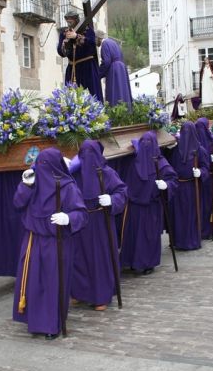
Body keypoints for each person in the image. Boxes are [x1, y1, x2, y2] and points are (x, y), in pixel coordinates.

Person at [12, 148, 88, 339]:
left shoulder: (68, 186)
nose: (41, 169)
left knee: (53, 282)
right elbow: (18, 203)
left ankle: (51, 323)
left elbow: (81, 214)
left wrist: (68, 218)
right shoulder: (33, 183)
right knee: (33, 282)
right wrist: (25, 185)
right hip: (33, 240)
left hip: (57, 242)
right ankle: (35, 321)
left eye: (45, 165)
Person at [71, 140, 127, 310]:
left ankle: (100, 295)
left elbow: (122, 192)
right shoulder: (74, 174)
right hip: (80, 222)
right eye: (84, 153)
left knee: (100, 258)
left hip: (100, 220)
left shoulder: (107, 173)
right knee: (79, 258)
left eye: (91, 153)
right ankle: (80, 292)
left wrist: (111, 200)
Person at [120, 132, 177, 274]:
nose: (146, 145)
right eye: (143, 142)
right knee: (133, 235)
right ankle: (132, 261)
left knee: (148, 235)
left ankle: (147, 263)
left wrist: (166, 185)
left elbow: (172, 179)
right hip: (134, 207)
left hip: (151, 206)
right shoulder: (134, 162)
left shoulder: (161, 163)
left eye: (149, 142)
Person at [168, 121, 210, 250]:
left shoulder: (199, 150)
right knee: (178, 215)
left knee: (191, 214)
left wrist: (200, 172)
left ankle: (192, 240)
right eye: (183, 130)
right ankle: (178, 241)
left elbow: (205, 167)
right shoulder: (176, 149)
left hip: (192, 187)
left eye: (188, 131)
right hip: (178, 187)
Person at [57, 10, 103, 101]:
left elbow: (92, 45)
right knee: (71, 98)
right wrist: (65, 44)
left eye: (71, 21)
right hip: (72, 69)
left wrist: (77, 37)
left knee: (90, 95)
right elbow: (61, 52)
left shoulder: (87, 30)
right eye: (68, 21)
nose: (69, 24)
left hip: (87, 68)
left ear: (76, 20)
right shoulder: (64, 34)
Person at [97, 38, 133, 109]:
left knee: (114, 92)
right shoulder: (113, 42)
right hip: (122, 68)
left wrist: (98, 74)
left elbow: (106, 61)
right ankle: (126, 110)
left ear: (98, 38)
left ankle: (115, 111)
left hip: (114, 69)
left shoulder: (104, 44)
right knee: (123, 91)